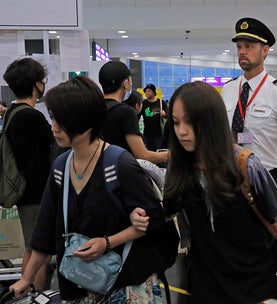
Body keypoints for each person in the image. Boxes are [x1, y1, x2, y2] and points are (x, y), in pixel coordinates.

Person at [10, 76, 170, 302]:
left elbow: (154, 219)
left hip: (125, 286)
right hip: (79, 286)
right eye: (53, 118)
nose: (54, 127)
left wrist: (107, 242)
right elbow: (45, 231)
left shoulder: (120, 164)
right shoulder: (61, 167)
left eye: (61, 121)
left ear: (84, 122)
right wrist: (26, 279)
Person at [159, 81, 277, 303]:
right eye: (175, 122)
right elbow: (166, 211)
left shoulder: (245, 164)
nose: (182, 131)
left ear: (211, 122)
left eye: (190, 122)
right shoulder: (182, 168)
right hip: (206, 287)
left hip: (255, 286)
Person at [222, 17, 277, 214]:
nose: (242, 51)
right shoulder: (228, 89)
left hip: (264, 178)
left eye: (249, 46)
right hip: (229, 179)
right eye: (239, 46)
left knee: (267, 241)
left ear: (265, 51)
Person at [2, 58, 53, 291]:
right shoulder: (31, 116)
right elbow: (45, 154)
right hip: (36, 192)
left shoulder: (12, 113)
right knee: (39, 249)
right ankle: (36, 295)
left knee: (31, 246)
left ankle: (27, 293)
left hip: (25, 192)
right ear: (37, 84)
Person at [98, 61, 168, 164]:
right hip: (120, 169)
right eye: (130, 80)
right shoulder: (125, 112)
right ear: (126, 84)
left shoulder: (94, 108)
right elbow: (142, 155)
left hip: (99, 169)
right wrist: (169, 155)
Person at [141, 83, 167, 151]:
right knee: (150, 153)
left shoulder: (161, 102)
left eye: (149, 91)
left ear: (154, 92)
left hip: (159, 134)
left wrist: (165, 114)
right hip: (147, 134)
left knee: (159, 152)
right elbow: (137, 116)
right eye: (146, 91)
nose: (147, 93)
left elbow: (169, 115)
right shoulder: (143, 104)